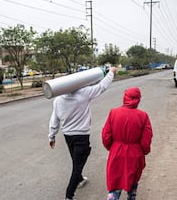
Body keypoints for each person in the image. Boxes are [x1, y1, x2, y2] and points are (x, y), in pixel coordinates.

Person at [48, 66, 117, 200]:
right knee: (78, 166)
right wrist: (111, 73)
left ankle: (79, 179)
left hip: (68, 136)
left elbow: (54, 119)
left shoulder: (58, 100)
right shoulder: (83, 93)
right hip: (81, 136)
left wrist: (52, 136)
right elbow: (102, 86)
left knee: (76, 161)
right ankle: (69, 196)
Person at [102, 87, 153, 200]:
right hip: (135, 154)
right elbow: (146, 139)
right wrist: (144, 151)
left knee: (115, 182)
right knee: (132, 181)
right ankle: (131, 196)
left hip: (116, 152)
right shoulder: (143, 116)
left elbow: (106, 135)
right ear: (138, 99)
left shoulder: (113, 112)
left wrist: (113, 147)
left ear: (125, 97)